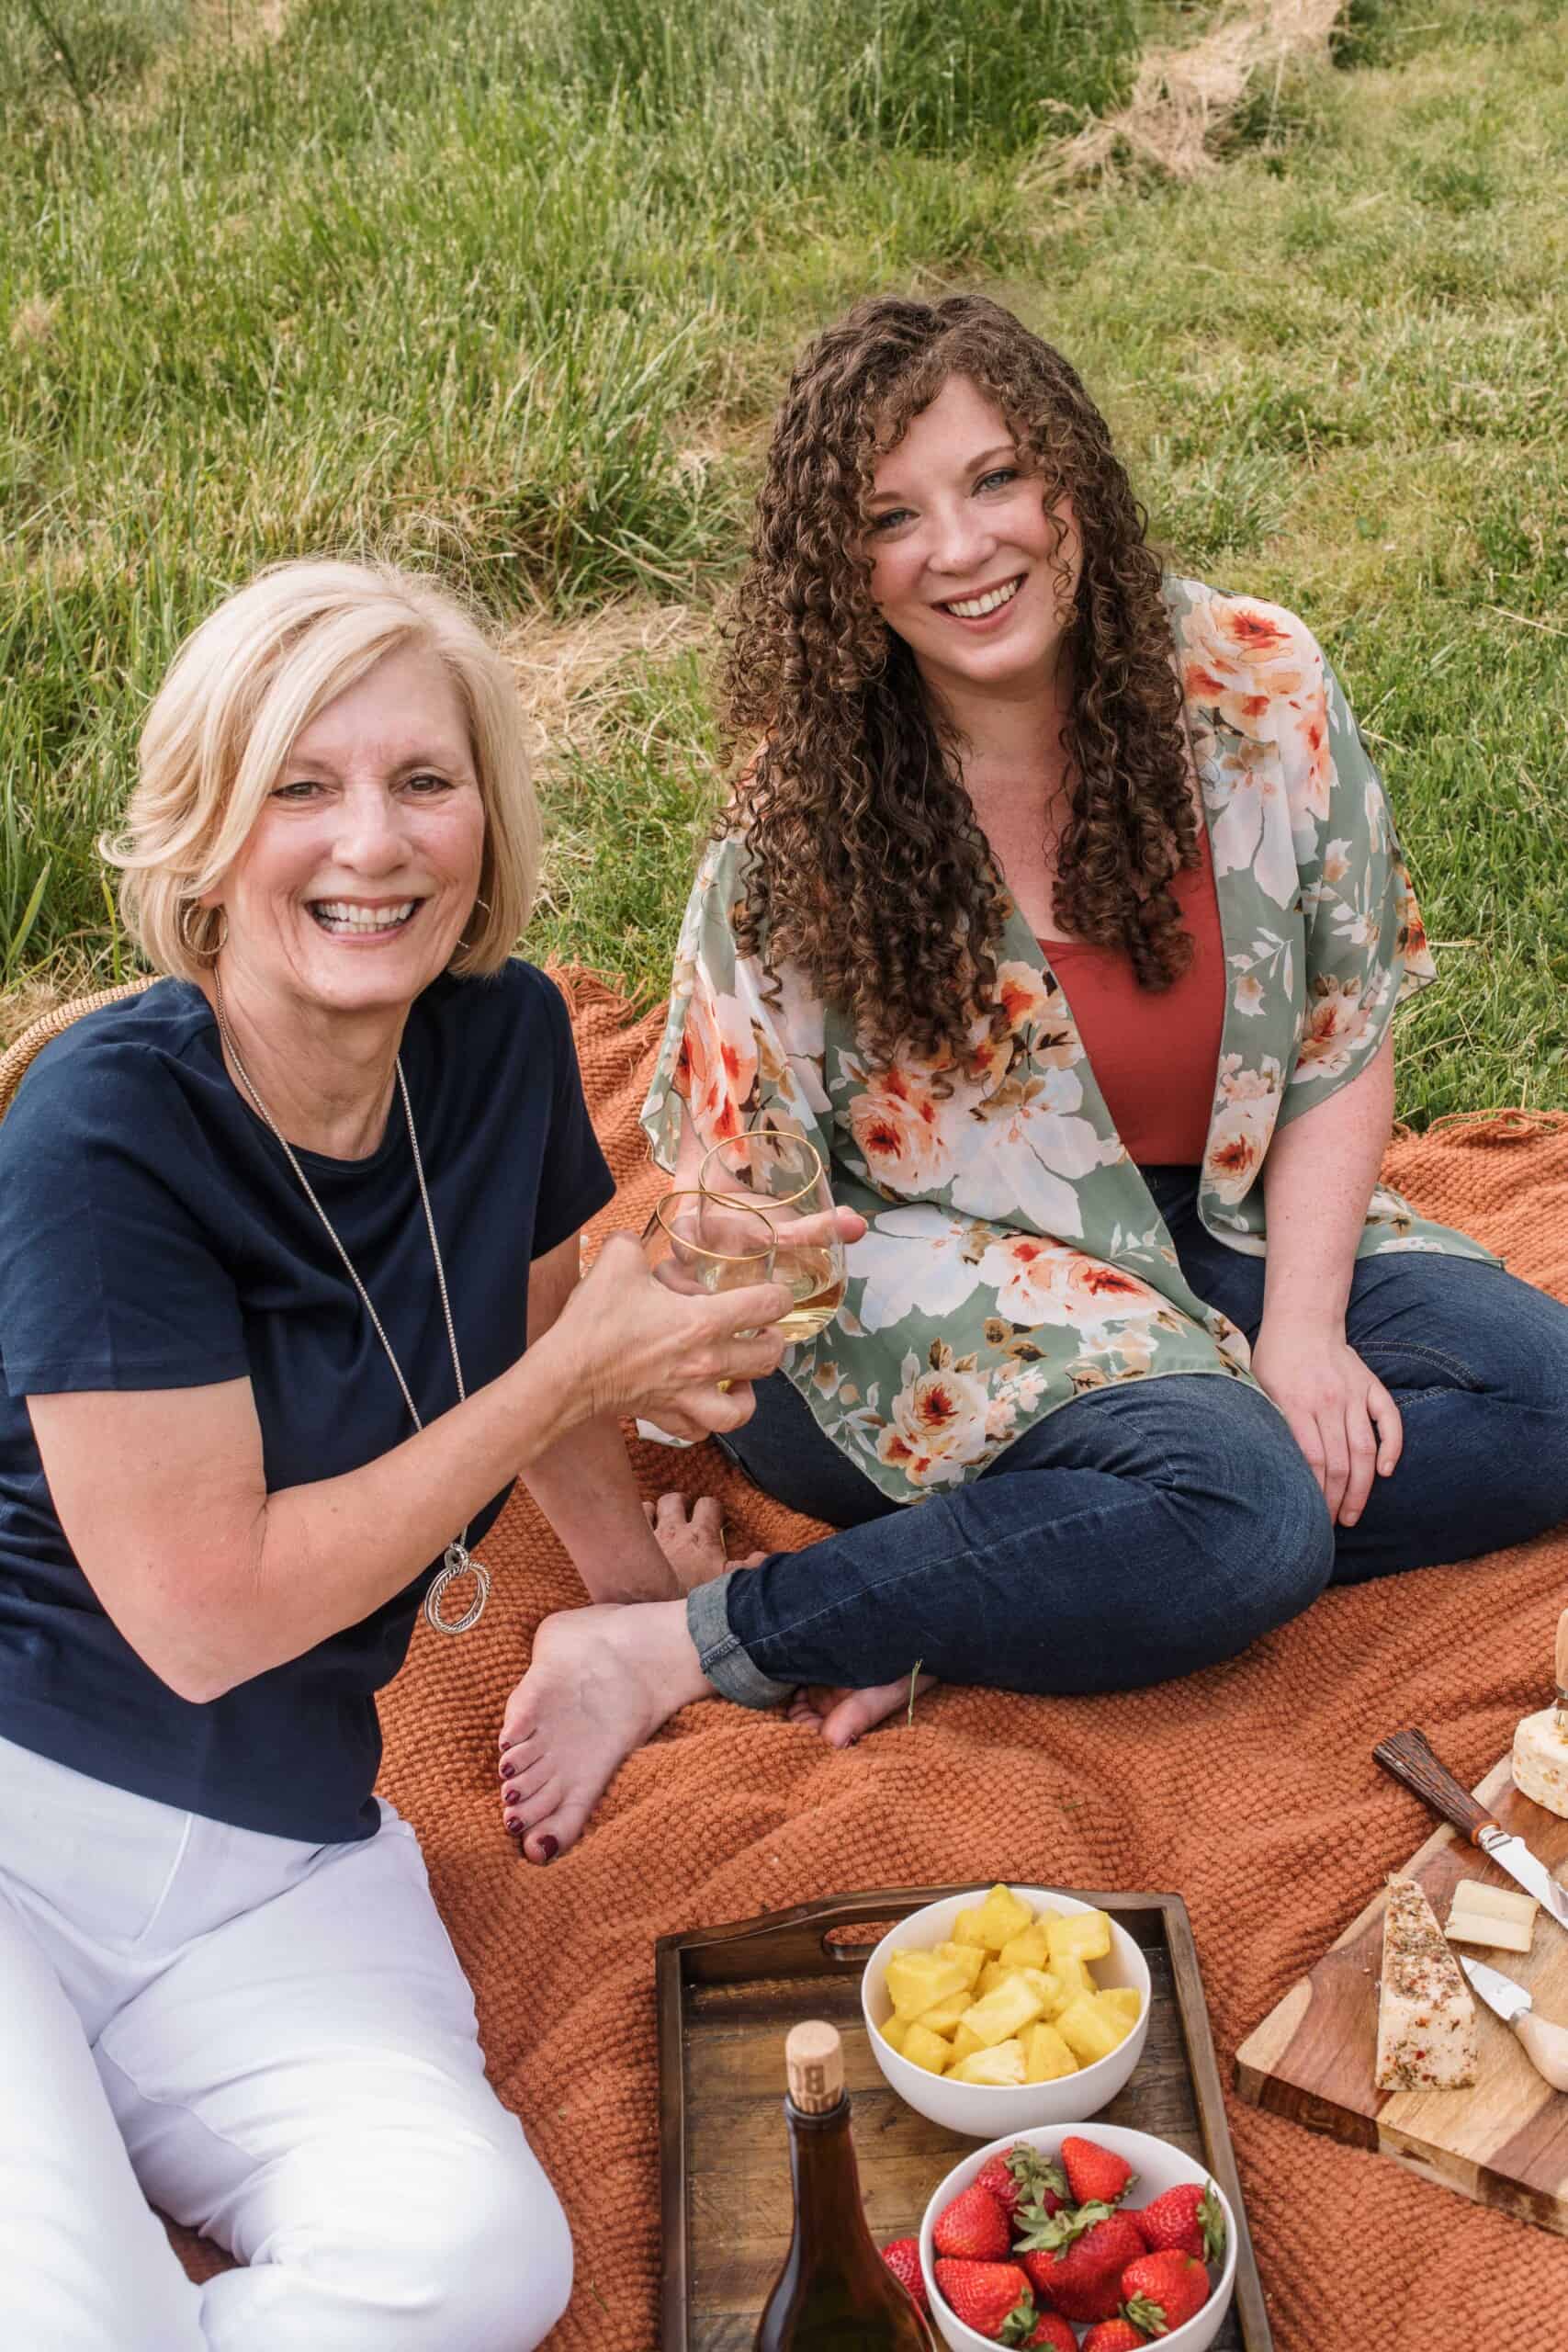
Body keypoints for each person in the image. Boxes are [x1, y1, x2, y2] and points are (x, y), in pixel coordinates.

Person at [495, 290, 1568, 1837]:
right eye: (891, 516)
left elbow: (1341, 1038)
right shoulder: (798, 828)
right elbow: (748, 1205)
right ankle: (684, 1644)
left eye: (995, 479)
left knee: (1542, 1404)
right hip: (912, 1287)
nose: (961, 547)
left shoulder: (1258, 688)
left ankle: (1007, 1582)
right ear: (838, 573)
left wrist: (1312, 1336)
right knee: (1251, 1518)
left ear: (1070, 481)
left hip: (1213, 1211)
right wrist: (715, 1272)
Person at [0, 560, 791, 2352]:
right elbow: (207, 1613)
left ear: (486, 815)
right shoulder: (103, 1126)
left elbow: (528, 1320)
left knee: (477, 2261)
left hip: (280, 1859)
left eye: (423, 780)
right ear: (206, 827)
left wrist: (627, 1595)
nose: (375, 840)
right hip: (21, 1820)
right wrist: (580, 1364)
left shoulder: (502, 1037)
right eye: (301, 783)